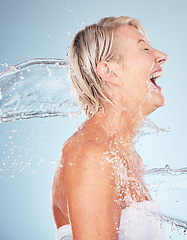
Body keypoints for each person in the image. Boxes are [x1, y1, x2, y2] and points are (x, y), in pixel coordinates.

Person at [51, 16, 167, 240]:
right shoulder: (91, 154)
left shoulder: (129, 158)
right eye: (144, 48)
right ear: (110, 72)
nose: (162, 56)